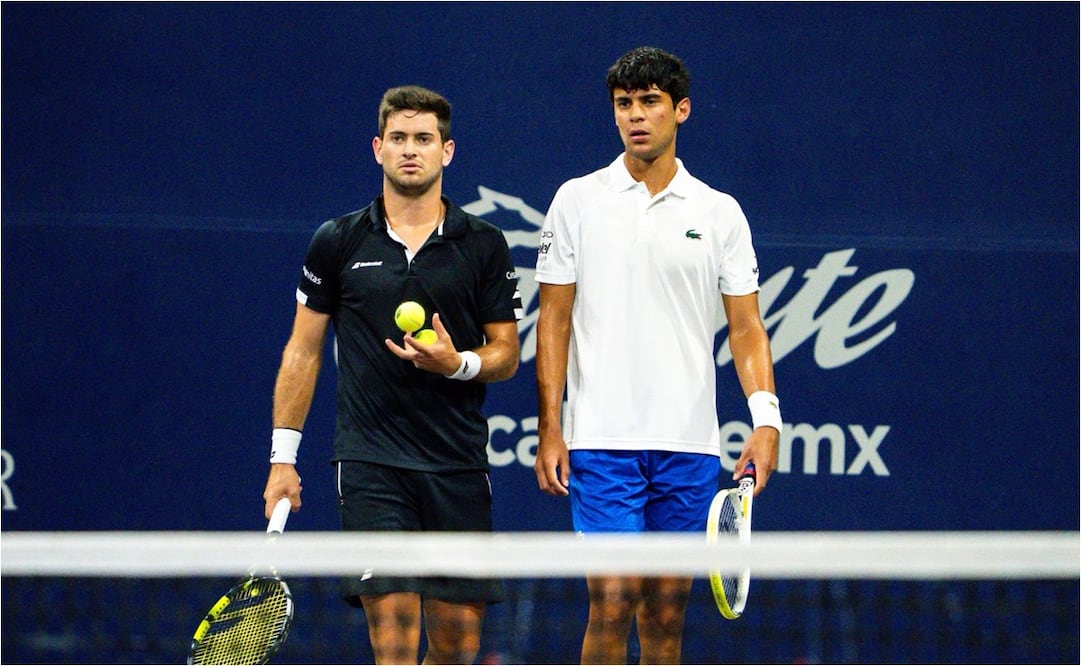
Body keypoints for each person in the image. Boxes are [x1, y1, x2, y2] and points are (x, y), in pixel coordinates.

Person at [533, 47, 782, 664]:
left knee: (667, 613)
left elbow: (747, 328)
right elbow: (554, 322)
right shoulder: (576, 201)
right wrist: (550, 425)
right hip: (600, 440)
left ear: (681, 110)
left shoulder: (719, 213)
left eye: (650, 103)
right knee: (613, 601)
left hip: (689, 444)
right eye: (625, 104)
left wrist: (767, 419)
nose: (636, 116)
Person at [262, 85, 522, 665]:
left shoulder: (484, 245)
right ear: (378, 148)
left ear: (446, 152)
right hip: (372, 465)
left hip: (456, 464)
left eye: (424, 139)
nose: (411, 150)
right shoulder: (338, 241)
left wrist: (459, 364)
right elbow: (302, 352)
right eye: (399, 139)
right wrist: (283, 459)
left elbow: (507, 353)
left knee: (456, 651)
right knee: (397, 645)